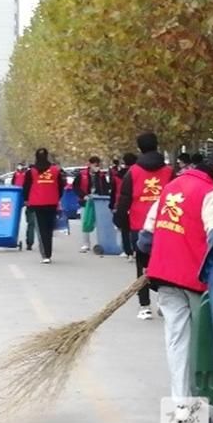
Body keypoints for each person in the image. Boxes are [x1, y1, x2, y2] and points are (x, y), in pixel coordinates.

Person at [145, 143, 213, 421]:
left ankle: (181, 404)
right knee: (205, 339)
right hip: (195, 277)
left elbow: (147, 232)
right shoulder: (210, 193)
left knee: (177, 339)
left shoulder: (175, 184)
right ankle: (210, 397)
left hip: (164, 274)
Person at [115, 133, 174, 319]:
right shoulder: (169, 172)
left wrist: (121, 222)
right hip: (165, 225)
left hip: (139, 225)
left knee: (142, 267)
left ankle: (144, 306)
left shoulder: (132, 172)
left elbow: (124, 200)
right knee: (165, 265)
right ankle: (163, 303)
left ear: (139, 148)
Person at [23, 148, 65, 264]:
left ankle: (46, 255)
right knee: (49, 228)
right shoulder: (55, 171)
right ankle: (48, 252)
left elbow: (26, 187)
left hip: (37, 203)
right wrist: (57, 197)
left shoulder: (31, 172)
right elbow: (61, 187)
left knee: (41, 229)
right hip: (52, 202)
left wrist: (26, 200)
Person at [73, 156, 110, 253]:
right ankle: (86, 244)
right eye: (95, 165)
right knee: (85, 222)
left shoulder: (101, 176)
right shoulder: (81, 175)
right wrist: (83, 195)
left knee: (100, 223)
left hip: (99, 201)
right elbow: (75, 187)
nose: (96, 167)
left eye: (98, 165)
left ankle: (101, 243)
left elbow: (105, 188)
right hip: (86, 201)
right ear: (89, 164)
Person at [110, 152, 137, 261]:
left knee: (124, 230)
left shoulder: (117, 175)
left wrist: (112, 205)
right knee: (135, 229)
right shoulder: (137, 173)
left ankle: (128, 252)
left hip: (120, 204)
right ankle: (136, 250)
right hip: (135, 204)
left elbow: (113, 191)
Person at [13, 163, 35, 251]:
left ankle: (29, 242)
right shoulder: (17, 174)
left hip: (28, 199)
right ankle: (29, 242)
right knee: (31, 223)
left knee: (31, 223)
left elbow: (26, 187)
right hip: (19, 195)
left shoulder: (27, 175)